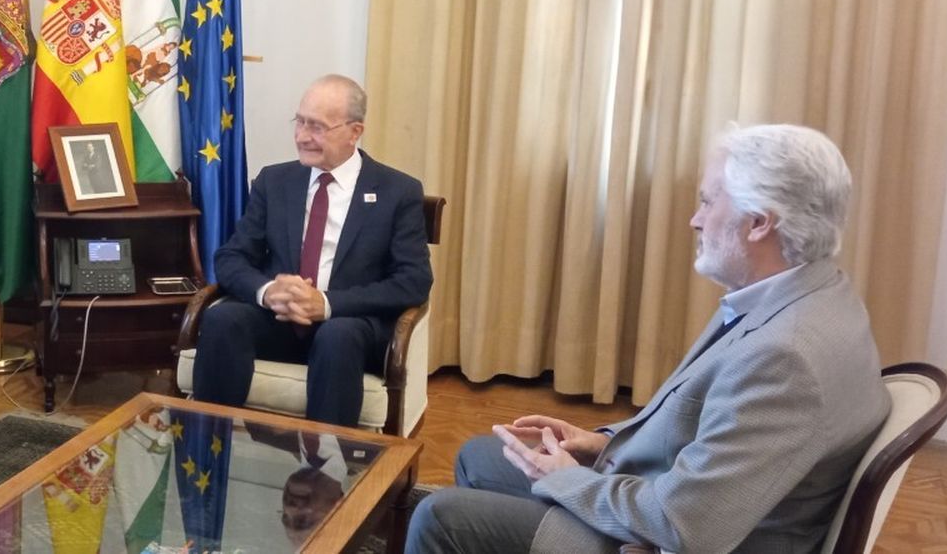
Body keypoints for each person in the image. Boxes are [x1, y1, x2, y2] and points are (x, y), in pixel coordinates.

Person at [407, 124, 892, 554]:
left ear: (759, 221)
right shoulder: (814, 295)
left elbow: (686, 525)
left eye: (708, 201)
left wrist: (568, 478)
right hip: (682, 501)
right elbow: (705, 432)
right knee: (481, 456)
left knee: (441, 519)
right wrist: (600, 444)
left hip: (668, 537)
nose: (695, 219)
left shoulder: (785, 357)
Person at [192, 74, 433, 426]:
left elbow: (413, 281)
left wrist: (327, 303)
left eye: (317, 127)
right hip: (277, 321)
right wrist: (267, 291)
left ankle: (326, 458)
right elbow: (231, 257)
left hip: (349, 328)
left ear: (354, 132)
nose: (302, 136)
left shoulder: (397, 191)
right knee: (222, 318)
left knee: (337, 335)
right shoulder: (274, 181)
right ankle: (209, 444)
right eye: (300, 122)